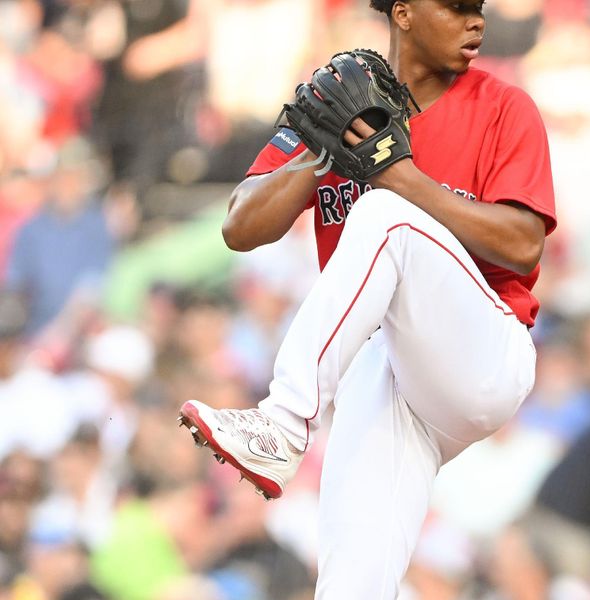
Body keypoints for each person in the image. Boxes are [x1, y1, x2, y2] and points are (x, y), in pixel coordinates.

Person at [178, 0, 556, 596]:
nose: (475, 22)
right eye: (456, 8)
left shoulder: (502, 106)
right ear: (402, 12)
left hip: (483, 349)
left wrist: (397, 175)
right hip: (385, 374)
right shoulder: (341, 105)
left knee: (386, 213)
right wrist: (321, 150)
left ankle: (282, 422)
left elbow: (523, 244)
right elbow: (239, 227)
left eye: (477, 8)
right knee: (351, 583)